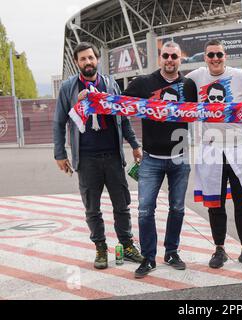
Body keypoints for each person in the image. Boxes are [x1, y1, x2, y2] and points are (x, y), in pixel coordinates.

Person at [185, 39, 242, 270]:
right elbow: (176, 95)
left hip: (238, 147)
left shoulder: (240, 76)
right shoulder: (195, 77)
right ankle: (219, 249)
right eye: (211, 55)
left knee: (241, 200)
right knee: (214, 204)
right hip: (211, 148)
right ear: (205, 57)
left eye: (219, 55)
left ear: (226, 56)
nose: (215, 59)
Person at [53, 42, 144, 269]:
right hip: (86, 159)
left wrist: (134, 144)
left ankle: (127, 245)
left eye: (91, 58)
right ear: (77, 63)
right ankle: (101, 249)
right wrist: (59, 153)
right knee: (92, 208)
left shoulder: (110, 84)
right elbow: (58, 122)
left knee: (121, 204)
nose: (88, 62)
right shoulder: (68, 88)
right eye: (83, 59)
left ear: (97, 60)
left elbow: (122, 117)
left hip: (113, 155)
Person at [121, 41, 197, 278]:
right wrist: (91, 97)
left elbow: (200, 112)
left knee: (177, 208)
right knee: (145, 210)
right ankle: (149, 258)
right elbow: (118, 103)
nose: (170, 60)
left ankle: (172, 252)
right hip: (151, 158)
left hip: (180, 158)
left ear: (180, 59)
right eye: (166, 56)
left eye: (174, 56)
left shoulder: (189, 85)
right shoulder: (144, 83)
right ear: (160, 57)